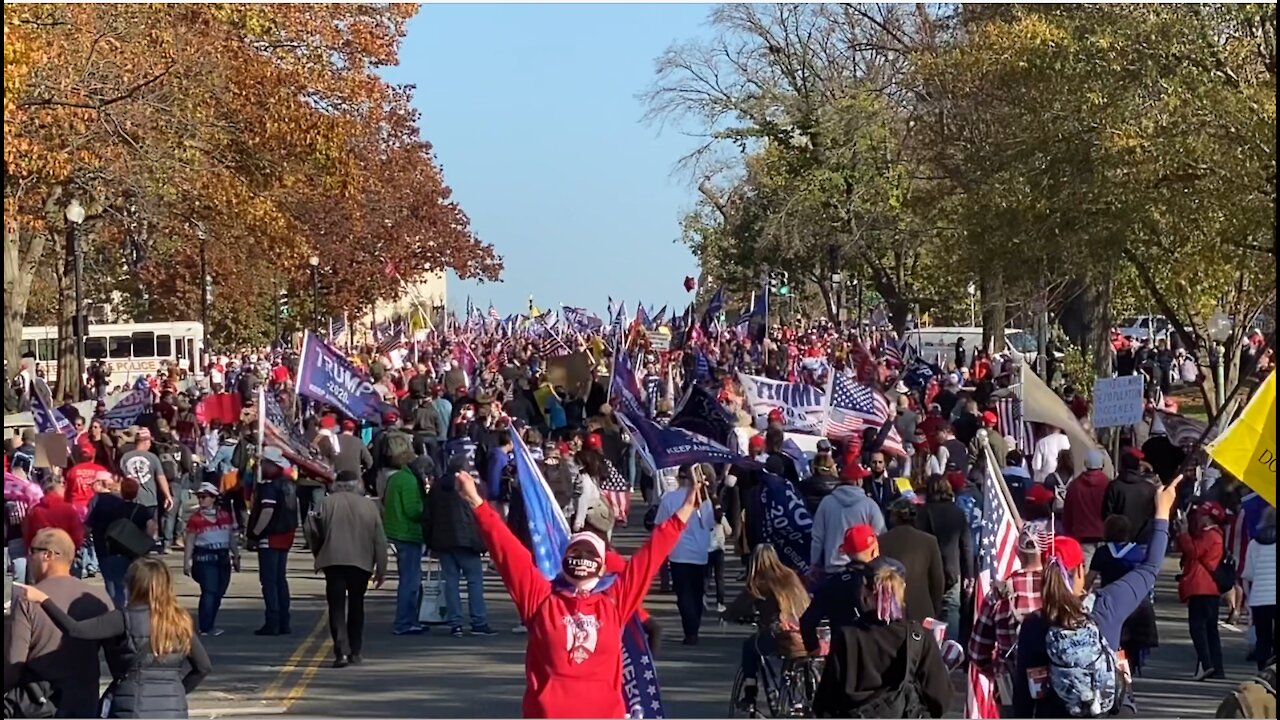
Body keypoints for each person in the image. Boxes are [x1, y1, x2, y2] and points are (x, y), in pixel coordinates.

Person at [455, 465, 702, 719]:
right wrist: (476, 501)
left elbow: (652, 554)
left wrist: (686, 508)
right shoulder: (541, 598)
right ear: (563, 561)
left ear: (604, 566)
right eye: (576, 552)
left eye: (590, 553)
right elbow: (508, 552)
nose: (582, 558)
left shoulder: (615, 600)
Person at [1011, 475, 1181, 718]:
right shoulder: (1107, 603)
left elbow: (1024, 697)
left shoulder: (1034, 624)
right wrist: (1162, 512)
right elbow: (1150, 567)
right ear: (1080, 570)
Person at [19, 555, 212, 718]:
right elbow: (203, 667)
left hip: (132, 705)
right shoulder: (180, 620)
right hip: (174, 708)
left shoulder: (123, 618)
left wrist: (42, 599)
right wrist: (177, 692)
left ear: (134, 585)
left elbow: (76, 630)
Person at [812, 562, 953, 718]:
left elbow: (825, 701)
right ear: (902, 590)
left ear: (864, 592)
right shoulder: (918, 638)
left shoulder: (846, 635)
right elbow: (940, 700)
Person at [4, 528, 111, 718]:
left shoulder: (28, 599)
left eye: (32, 551)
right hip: (85, 700)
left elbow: (15, 660)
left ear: (48, 555)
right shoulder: (99, 597)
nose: (29, 558)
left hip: (39, 703)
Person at [306, 470, 388, 667]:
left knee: (336, 607)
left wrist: (318, 551)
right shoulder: (369, 506)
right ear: (357, 484)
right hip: (361, 562)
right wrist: (381, 568)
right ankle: (356, 651)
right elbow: (380, 540)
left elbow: (311, 529)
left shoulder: (325, 503)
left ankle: (340, 651)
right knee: (356, 605)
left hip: (333, 560)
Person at [969, 521, 1050, 716]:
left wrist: (996, 670)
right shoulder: (1058, 589)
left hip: (1011, 685)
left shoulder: (999, 592)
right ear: (1046, 552)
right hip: (1055, 686)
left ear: (1017, 552)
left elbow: (978, 651)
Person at [722, 544, 811, 714]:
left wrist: (727, 615)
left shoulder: (760, 582)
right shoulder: (790, 575)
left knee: (749, 646)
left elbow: (739, 607)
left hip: (779, 634)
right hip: (802, 633)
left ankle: (750, 693)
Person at [425, 456, 496, 638]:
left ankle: (455, 623)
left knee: (451, 583)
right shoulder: (471, 488)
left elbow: (428, 516)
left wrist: (430, 542)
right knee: (474, 582)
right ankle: (478, 622)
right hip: (468, 541)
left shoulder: (437, 488)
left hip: (443, 541)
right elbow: (480, 515)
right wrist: (485, 542)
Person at [1085, 515, 1158, 677]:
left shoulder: (1103, 552)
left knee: (1114, 642)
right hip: (1135, 602)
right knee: (1133, 644)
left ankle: (1116, 673)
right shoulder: (1137, 552)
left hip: (1111, 604)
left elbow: (1089, 580)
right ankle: (1129, 671)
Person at [800, 524, 883, 653]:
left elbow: (807, 622)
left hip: (845, 658)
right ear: (874, 549)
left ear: (847, 553)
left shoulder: (832, 584)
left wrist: (814, 647)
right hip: (882, 655)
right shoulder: (892, 577)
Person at [655, 465, 714, 645]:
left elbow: (659, 523)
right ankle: (693, 627)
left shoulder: (669, 499)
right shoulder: (704, 501)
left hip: (678, 552)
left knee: (684, 594)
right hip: (700, 552)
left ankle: (690, 631)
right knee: (697, 592)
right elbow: (710, 524)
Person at [915, 473, 973, 641]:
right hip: (952, 570)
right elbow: (967, 546)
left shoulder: (923, 513)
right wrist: (969, 574)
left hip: (928, 570)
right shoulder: (958, 512)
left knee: (929, 612)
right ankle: (951, 653)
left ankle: (929, 650)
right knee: (951, 611)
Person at [247, 446, 297, 636]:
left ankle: (273, 621)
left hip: (271, 536)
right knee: (280, 580)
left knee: (269, 581)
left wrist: (255, 533)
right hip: (285, 534)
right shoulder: (289, 484)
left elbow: (267, 511)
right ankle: (284, 620)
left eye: (263, 462)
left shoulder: (269, 487)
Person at [86, 477, 156, 608]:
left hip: (111, 551)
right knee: (131, 585)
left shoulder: (110, 507)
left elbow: (93, 527)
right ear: (137, 492)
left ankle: (118, 614)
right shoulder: (141, 510)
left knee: (113, 585)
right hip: (134, 553)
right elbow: (151, 529)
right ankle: (131, 614)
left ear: (121, 491)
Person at [1178, 500, 1228, 680]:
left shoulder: (1210, 535)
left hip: (1201, 586)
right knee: (1210, 630)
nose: (1198, 518)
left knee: (1198, 628)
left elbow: (1194, 551)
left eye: (1202, 514)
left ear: (1209, 518)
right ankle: (1216, 667)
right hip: (1209, 588)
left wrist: (1184, 533)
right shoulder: (1215, 535)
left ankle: (1207, 664)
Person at [382, 442, 427, 636]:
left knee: (407, 579)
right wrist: (428, 511)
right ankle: (405, 621)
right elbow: (413, 510)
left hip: (395, 531)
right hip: (408, 533)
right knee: (411, 581)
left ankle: (408, 620)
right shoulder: (409, 481)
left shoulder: (395, 478)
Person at [182, 483, 239, 637]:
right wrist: (187, 561)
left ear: (213, 498)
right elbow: (190, 541)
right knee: (209, 591)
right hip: (204, 558)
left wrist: (236, 555)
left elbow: (231, 538)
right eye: (199, 497)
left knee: (219, 591)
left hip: (223, 558)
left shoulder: (225, 516)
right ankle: (205, 627)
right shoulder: (195, 519)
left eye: (204, 497)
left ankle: (210, 624)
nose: (201, 500)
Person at [877, 497, 945, 623]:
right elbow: (937, 581)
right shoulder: (929, 541)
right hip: (922, 612)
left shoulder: (881, 541)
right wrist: (935, 608)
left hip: (891, 614)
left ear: (893, 517)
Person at [810, 463, 885, 575]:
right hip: (862, 569)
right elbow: (882, 535)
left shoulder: (826, 502)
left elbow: (817, 537)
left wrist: (814, 564)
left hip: (832, 570)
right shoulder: (869, 505)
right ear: (858, 481)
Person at [117, 428, 173, 550]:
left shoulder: (125, 458)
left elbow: (120, 479)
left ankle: (132, 549)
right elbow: (161, 477)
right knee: (150, 526)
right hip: (149, 500)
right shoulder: (152, 457)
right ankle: (148, 549)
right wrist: (168, 496)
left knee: (132, 527)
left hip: (130, 500)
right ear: (146, 441)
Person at [1242, 507, 1276, 671]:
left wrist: (1248, 600)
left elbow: (1248, 574)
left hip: (1260, 598)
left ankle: (1262, 671)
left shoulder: (1254, 543)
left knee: (1263, 639)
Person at [1101, 448, 1158, 543]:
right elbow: (1154, 514)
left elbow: (1106, 514)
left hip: (1118, 539)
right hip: (1143, 539)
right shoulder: (1149, 488)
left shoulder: (1114, 486)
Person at [1063, 449, 1109, 564]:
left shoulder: (1075, 485)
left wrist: (1068, 532)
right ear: (1102, 464)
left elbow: (1068, 511)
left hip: (1082, 534)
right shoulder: (1108, 484)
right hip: (1104, 533)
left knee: (1085, 572)